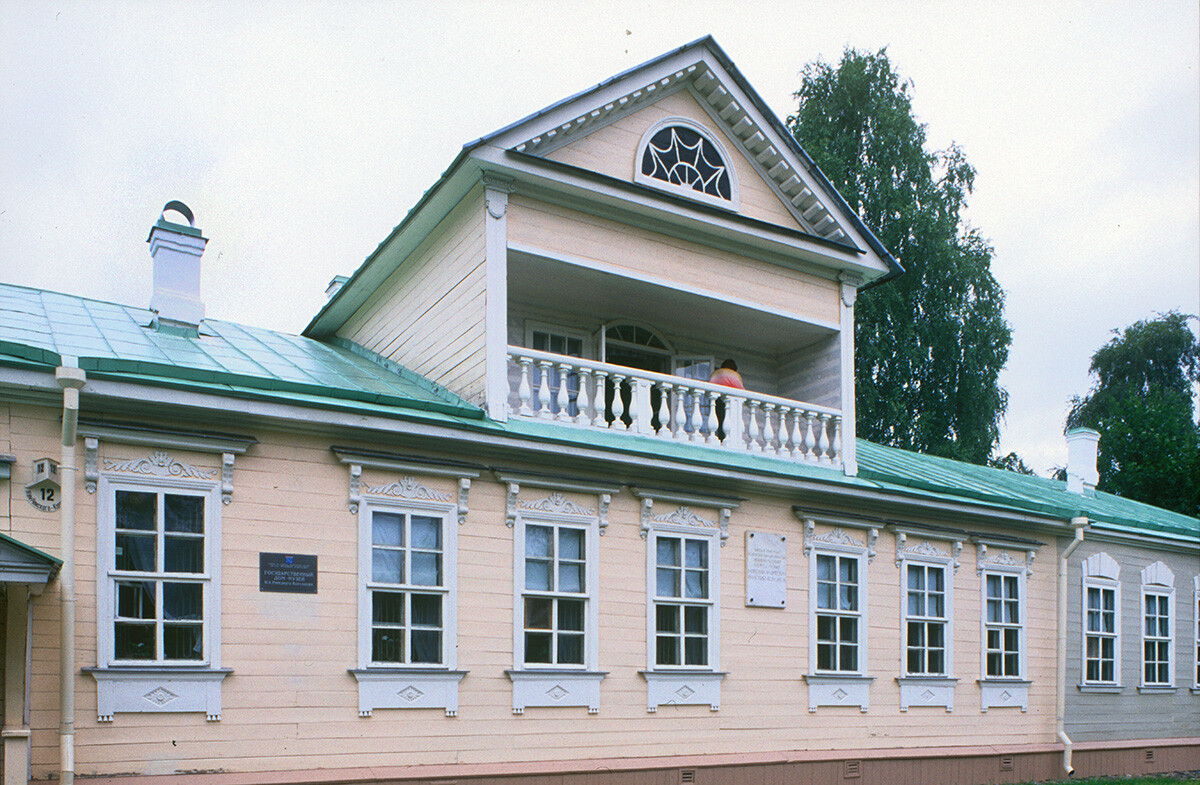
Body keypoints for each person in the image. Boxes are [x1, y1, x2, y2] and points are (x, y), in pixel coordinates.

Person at [708, 359, 744, 440]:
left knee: (720, 421)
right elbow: (741, 392)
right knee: (731, 422)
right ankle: (728, 439)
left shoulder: (716, 373)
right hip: (730, 401)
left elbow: (710, 388)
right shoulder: (735, 375)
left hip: (717, 400)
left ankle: (720, 438)